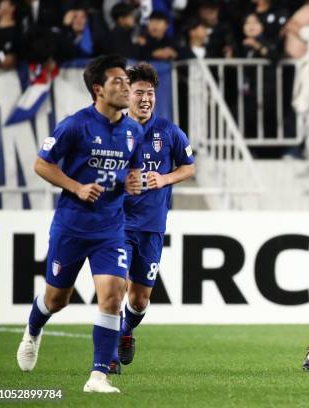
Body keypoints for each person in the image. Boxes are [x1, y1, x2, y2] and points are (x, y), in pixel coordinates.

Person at [16, 54, 144, 393]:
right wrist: (76, 186)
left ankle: (97, 377)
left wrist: (132, 181)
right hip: (72, 226)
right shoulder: (75, 125)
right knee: (58, 299)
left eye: (127, 83)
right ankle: (33, 329)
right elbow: (42, 164)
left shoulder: (134, 130)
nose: (126, 88)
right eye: (119, 82)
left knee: (113, 297)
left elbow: (131, 170)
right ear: (98, 89)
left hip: (111, 227)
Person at [112, 63, 195, 372]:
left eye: (150, 93)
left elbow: (189, 167)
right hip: (117, 224)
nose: (145, 99)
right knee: (113, 289)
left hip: (152, 226)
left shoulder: (169, 131)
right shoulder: (114, 130)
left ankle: (126, 331)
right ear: (127, 95)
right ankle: (106, 358)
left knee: (139, 300)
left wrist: (165, 178)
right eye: (139, 93)